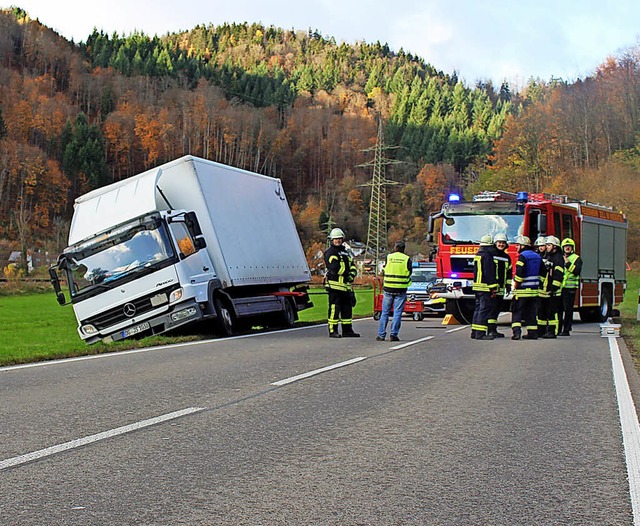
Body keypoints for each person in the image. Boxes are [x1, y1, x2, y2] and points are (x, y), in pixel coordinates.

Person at [324, 227, 359, 338]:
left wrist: (352, 274)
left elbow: (353, 266)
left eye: (339, 238)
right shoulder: (330, 252)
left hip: (346, 287)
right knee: (334, 309)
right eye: (335, 239)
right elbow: (334, 267)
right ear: (332, 240)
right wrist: (347, 273)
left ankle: (347, 330)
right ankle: (333, 331)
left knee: (347, 310)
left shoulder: (345, 252)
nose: (338, 240)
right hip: (335, 287)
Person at [511, 236, 545, 340]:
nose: (517, 247)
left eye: (518, 245)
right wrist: (539, 282)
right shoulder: (538, 256)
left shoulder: (522, 256)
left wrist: (516, 284)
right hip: (534, 291)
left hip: (522, 291)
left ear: (522, 246)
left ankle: (517, 333)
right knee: (531, 313)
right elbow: (543, 272)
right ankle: (532, 333)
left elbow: (520, 273)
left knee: (517, 311)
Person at [377, 240, 412, 342]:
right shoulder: (407, 259)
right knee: (397, 313)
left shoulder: (389, 257)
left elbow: (384, 269)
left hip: (388, 288)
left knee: (385, 313)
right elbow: (409, 272)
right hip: (401, 289)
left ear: (395, 248)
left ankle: (381, 335)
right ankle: (393, 334)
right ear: (403, 249)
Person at [471, 234, 498, 340]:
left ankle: (475, 331)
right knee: (484, 309)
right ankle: (480, 333)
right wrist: (493, 287)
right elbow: (489, 272)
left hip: (477, 286)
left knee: (478, 309)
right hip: (485, 287)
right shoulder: (487, 256)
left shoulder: (479, 254)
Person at [538, 235, 564, 338]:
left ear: (555, 247)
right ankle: (541, 331)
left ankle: (552, 331)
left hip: (553, 291)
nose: (546, 247)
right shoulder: (546, 256)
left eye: (549, 245)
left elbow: (558, 275)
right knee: (542, 312)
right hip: (544, 290)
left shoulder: (558, 258)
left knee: (552, 312)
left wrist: (554, 288)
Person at [487, 233, 511, 338]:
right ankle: (490, 329)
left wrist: (508, 285)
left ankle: (493, 329)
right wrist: (492, 286)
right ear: (495, 243)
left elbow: (509, 272)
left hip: (501, 287)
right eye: (499, 243)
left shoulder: (507, 257)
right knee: (491, 308)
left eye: (503, 243)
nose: (501, 245)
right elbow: (489, 272)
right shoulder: (491, 254)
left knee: (497, 308)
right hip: (493, 287)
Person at [559, 238, 583, 336]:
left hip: (570, 288)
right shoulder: (559, 257)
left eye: (569, 247)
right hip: (560, 287)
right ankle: (558, 329)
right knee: (559, 310)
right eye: (565, 247)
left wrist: (567, 263)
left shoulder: (577, 258)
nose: (567, 248)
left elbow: (577, 271)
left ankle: (567, 329)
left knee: (568, 310)